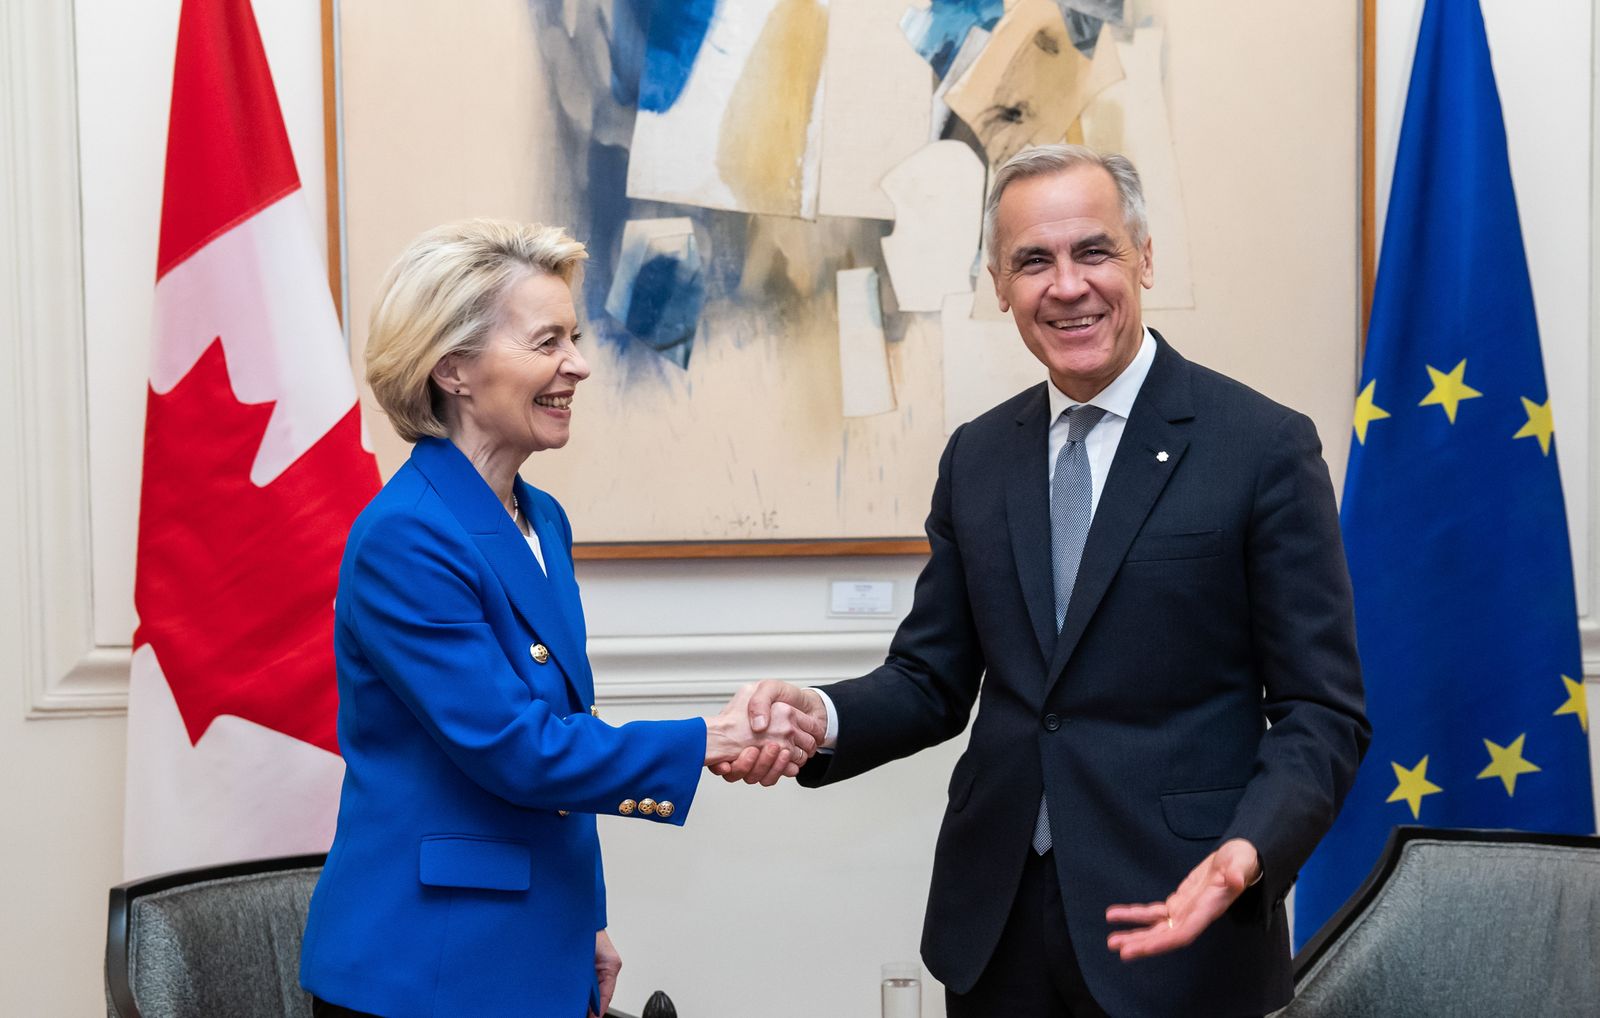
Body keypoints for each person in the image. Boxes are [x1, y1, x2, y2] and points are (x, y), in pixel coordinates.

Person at [722, 146, 1371, 1017]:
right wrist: (822, 716)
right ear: (999, 284)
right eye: (1034, 260)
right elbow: (930, 680)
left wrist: (1250, 850)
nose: (1066, 286)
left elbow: (1320, 711)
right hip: (995, 931)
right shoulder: (978, 457)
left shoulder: (1261, 448)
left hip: (1181, 918)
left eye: (1093, 251)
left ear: (1145, 257)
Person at [298, 220, 822, 1018]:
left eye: (573, 339)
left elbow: (562, 726)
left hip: (529, 937)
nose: (578, 364)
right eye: (548, 342)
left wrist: (584, 916)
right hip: (427, 970)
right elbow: (518, 750)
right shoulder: (406, 536)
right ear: (455, 370)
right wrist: (709, 739)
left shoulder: (540, 516)